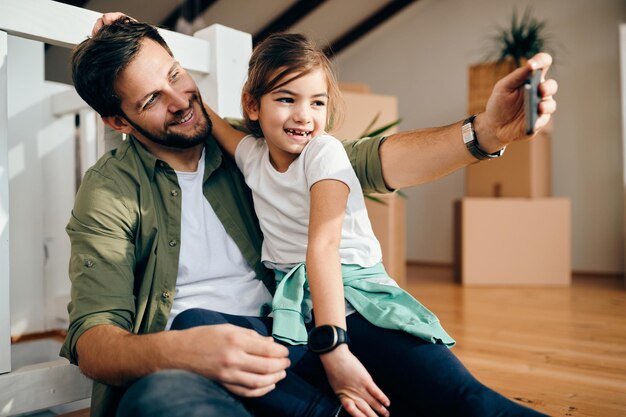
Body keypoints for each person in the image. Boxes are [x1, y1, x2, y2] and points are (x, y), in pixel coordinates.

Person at [61, 13, 557, 417]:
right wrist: (182, 350)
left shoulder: (258, 142)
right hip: (196, 370)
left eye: (175, 75)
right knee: (163, 400)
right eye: (151, 99)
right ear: (116, 121)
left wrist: (487, 131)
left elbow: (369, 161)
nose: (180, 101)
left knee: (457, 399)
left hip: (298, 333)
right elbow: (94, 341)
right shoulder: (110, 191)